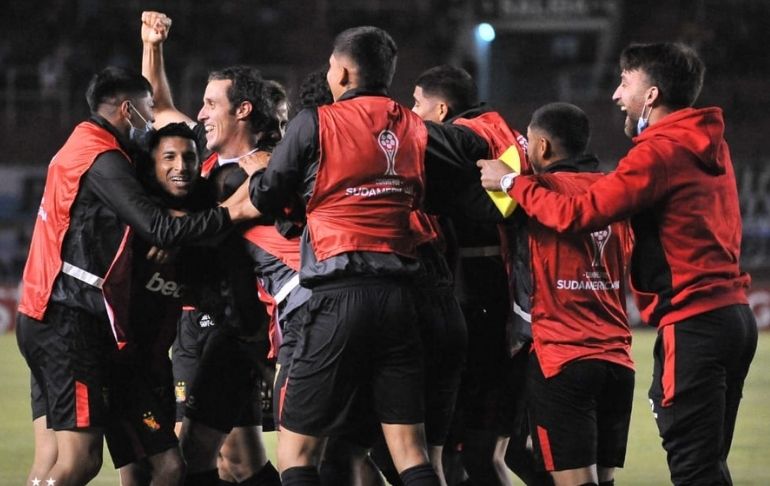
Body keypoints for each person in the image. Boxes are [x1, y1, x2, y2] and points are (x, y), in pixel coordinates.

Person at [479, 42, 757, 486]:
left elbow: (579, 213)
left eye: (625, 82)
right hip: (733, 316)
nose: (615, 94)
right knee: (707, 461)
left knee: (692, 466)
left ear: (651, 95)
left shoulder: (659, 151)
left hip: (692, 321)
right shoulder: (710, 144)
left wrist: (510, 181)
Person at [15, 65, 246, 486]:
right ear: (127, 110)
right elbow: (156, 225)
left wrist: (172, 221)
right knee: (82, 462)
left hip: (57, 319)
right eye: (145, 111)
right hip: (71, 322)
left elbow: (158, 203)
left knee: (55, 459)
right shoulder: (104, 158)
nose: (149, 120)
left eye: (187, 159)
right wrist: (231, 212)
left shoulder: (83, 148)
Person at [249, 26, 440, 486]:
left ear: (345, 70)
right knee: (411, 454)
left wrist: (262, 179)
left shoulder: (316, 121)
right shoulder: (413, 125)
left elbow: (270, 194)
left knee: (297, 452)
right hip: (399, 297)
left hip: (338, 295)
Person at [140, 11, 281, 486]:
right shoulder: (209, 156)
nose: (199, 114)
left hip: (235, 324)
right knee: (236, 460)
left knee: (193, 454)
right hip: (208, 317)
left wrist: (176, 230)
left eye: (209, 104)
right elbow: (156, 104)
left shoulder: (265, 171)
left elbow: (232, 223)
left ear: (242, 111)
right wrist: (152, 45)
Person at [413, 64, 538, 486]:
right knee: (492, 453)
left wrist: (377, 125)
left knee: (456, 449)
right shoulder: (505, 132)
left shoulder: (472, 134)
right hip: (507, 299)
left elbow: (447, 143)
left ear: (443, 109)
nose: (412, 113)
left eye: (416, 104)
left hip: (477, 298)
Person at [515, 102, 635, 486]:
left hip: (563, 359)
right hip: (617, 360)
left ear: (544, 148)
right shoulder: (617, 193)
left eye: (530, 144)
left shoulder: (536, 191)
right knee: (604, 481)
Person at [104, 122, 207, 486]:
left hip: (156, 368)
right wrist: (165, 224)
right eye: (170, 157)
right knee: (170, 468)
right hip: (123, 369)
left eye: (190, 157)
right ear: (151, 165)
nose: (182, 166)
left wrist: (181, 225)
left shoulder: (196, 217)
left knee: (137, 473)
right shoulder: (134, 216)